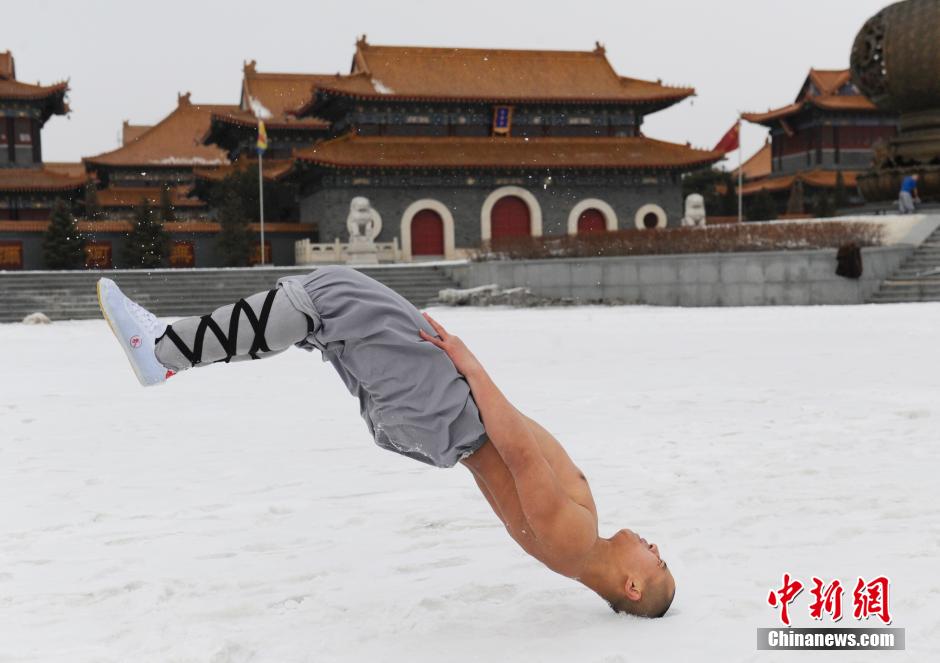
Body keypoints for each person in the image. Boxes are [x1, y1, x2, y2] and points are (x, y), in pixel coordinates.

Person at [97, 265, 675, 617]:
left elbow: (520, 454)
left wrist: (470, 365)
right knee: (325, 316)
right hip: (444, 421)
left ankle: (165, 350)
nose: (653, 545)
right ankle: (171, 350)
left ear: (631, 585)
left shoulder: (575, 541)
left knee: (331, 296)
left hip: (450, 413)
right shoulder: (573, 547)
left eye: (657, 561)